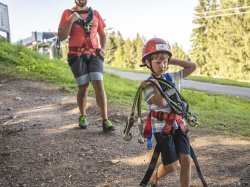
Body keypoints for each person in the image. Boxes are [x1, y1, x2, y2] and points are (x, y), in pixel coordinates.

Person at [140, 38, 197, 187]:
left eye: (165, 62)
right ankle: (155, 177)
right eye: (158, 62)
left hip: (179, 123)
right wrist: (156, 81)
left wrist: (170, 59)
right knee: (172, 166)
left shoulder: (173, 78)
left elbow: (192, 66)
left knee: (186, 161)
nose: (162, 66)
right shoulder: (147, 85)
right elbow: (161, 102)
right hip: (162, 127)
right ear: (148, 63)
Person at [58, 0, 115, 132]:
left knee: (98, 83)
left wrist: (104, 50)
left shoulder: (95, 13)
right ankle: (82, 116)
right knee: (83, 87)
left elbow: (102, 34)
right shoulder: (67, 13)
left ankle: (105, 120)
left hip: (95, 54)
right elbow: (61, 36)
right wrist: (71, 20)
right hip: (76, 55)